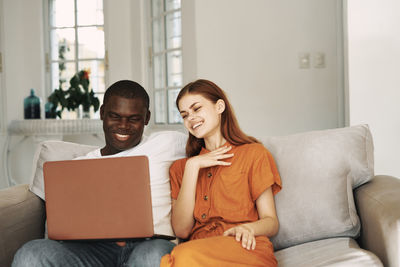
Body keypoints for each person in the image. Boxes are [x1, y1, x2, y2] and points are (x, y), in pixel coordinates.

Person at [12, 80, 187, 267]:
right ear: (102, 113)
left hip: (150, 244)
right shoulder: (76, 168)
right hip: (93, 250)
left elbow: (213, 140)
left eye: (134, 119)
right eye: (115, 116)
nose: (123, 126)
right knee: (31, 253)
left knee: (151, 257)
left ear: (146, 118)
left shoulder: (170, 142)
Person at [160, 79, 282, 266]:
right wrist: (192, 168)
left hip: (245, 246)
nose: (190, 118)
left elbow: (271, 222)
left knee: (180, 258)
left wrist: (247, 228)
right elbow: (182, 231)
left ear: (219, 106)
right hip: (199, 252)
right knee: (180, 257)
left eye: (196, 109)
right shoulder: (180, 168)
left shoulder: (254, 153)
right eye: (184, 115)